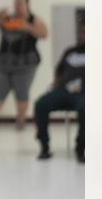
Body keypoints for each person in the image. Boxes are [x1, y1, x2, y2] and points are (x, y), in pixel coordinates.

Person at [0, 0, 48, 129]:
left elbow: (44, 34)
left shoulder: (33, 20)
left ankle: (20, 121)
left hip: (25, 65)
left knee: (22, 93)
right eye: (16, 3)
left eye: (21, 3)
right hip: (4, 63)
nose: (18, 6)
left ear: (27, 5)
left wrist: (28, 28)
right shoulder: (7, 18)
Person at [35, 22, 84, 162]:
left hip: (85, 93)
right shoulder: (70, 52)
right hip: (64, 91)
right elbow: (59, 72)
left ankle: (81, 148)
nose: (84, 36)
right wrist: (56, 85)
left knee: (85, 109)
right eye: (82, 32)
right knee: (41, 104)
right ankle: (44, 146)